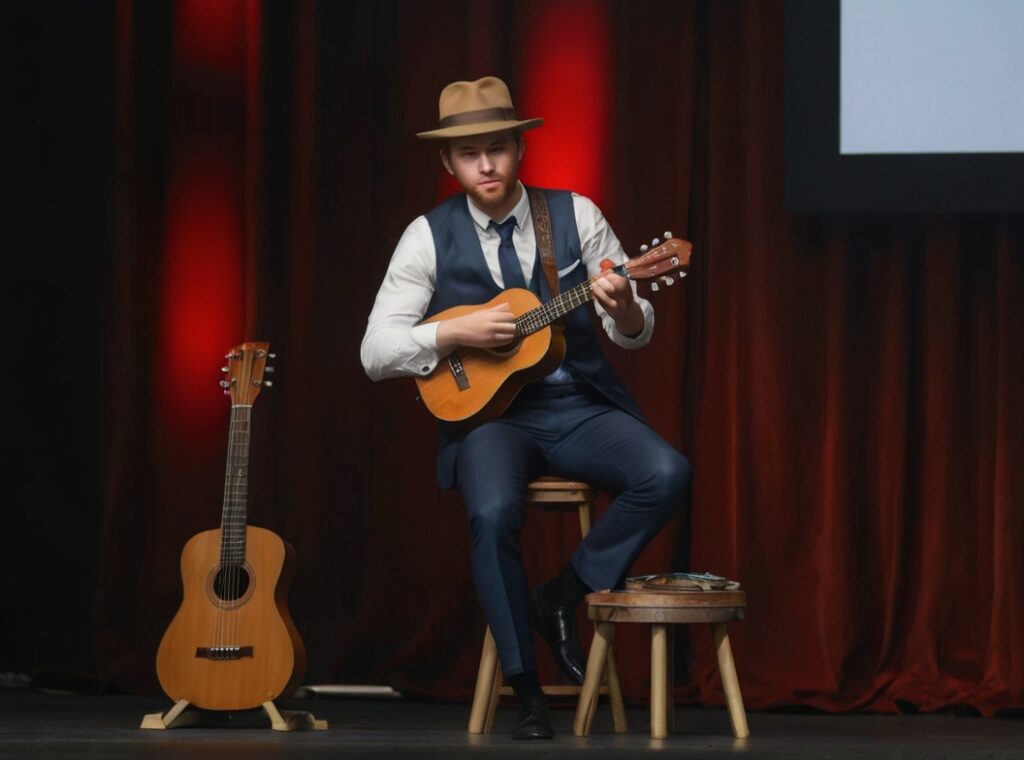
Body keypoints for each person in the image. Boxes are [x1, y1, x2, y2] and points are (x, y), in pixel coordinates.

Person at [361, 76, 690, 739]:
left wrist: (627, 303)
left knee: (668, 472)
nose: (486, 165)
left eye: (499, 148)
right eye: (470, 153)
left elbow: (636, 326)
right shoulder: (426, 236)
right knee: (491, 511)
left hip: (577, 406)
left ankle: (562, 596)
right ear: (448, 164)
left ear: (520, 149)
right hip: (491, 422)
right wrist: (454, 333)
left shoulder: (575, 215)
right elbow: (375, 352)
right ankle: (526, 689)